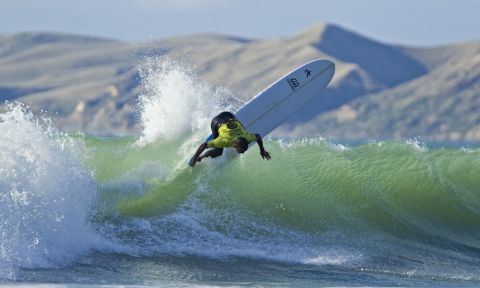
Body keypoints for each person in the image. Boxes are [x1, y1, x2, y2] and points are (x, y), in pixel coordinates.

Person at [189, 111, 271, 167]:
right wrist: (195, 157)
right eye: (242, 150)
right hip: (216, 122)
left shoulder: (247, 137)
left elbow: (258, 137)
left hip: (229, 115)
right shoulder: (224, 141)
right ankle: (201, 157)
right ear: (235, 145)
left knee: (244, 130)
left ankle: (216, 138)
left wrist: (262, 150)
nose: (243, 152)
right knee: (218, 151)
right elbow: (204, 145)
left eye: (244, 150)